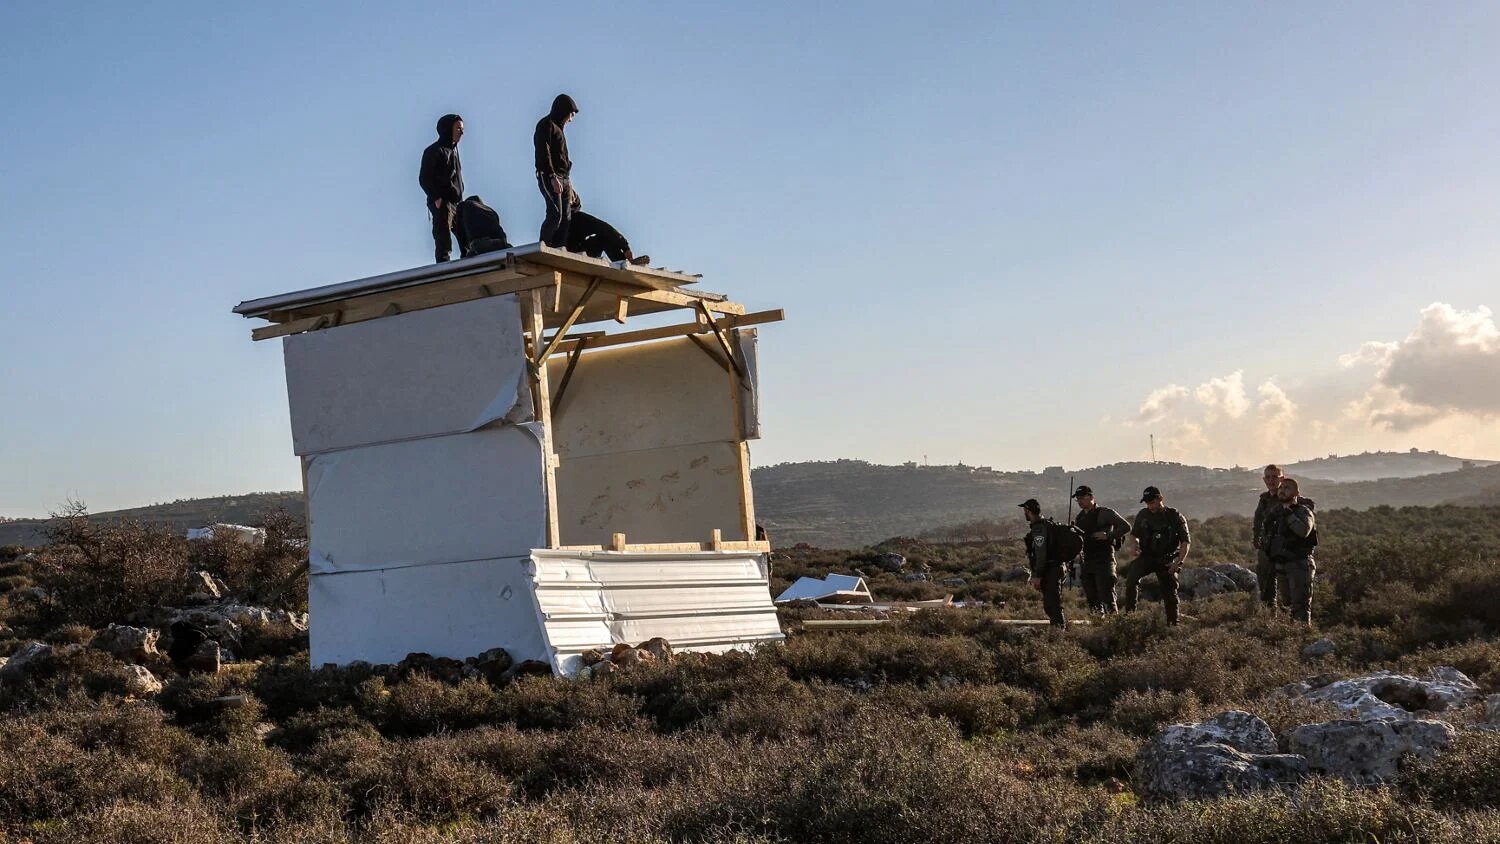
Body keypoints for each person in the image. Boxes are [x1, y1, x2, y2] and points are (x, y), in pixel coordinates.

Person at [1124, 486, 1191, 625]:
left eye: (1152, 502)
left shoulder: (1174, 516)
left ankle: (1173, 624)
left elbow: (1185, 542)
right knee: (1131, 579)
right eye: (1147, 503)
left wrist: (1179, 562)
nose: (1150, 506)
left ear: (1160, 498)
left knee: (1169, 590)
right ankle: (1129, 619)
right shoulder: (1143, 515)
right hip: (1147, 556)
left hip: (1167, 557)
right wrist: (1134, 547)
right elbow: (1134, 535)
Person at [1264, 477, 1317, 626]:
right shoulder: (1276, 514)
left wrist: (1289, 515)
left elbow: (1303, 531)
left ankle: (1302, 634)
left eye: (1287, 488)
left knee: (1300, 605)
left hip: (1299, 564)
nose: (1282, 490)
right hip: (1281, 565)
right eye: (1281, 488)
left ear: (1296, 493)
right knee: (1285, 605)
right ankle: (1287, 634)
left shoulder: (1303, 512)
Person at [1072, 485, 1131, 615]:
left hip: (1104, 560)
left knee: (1107, 598)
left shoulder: (1104, 513)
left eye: (1082, 498)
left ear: (1091, 497)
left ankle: (1113, 625)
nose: (1079, 501)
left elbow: (1126, 526)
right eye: (1078, 499)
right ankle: (1098, 624)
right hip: (1086, 561)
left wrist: (1108, 535)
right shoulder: (1079, 518)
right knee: (1093, 601)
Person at [419, 114, 467, 262]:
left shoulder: (454, 152)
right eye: (458, 128)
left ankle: (468, 257)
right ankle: (443, 261)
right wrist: (436, 198)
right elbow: (424, 178)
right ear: (448, 129)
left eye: (462, 129)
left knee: (465, 231)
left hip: (456, 202)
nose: (461, 132)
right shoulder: (434, 150)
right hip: (442, 202)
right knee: (443, 233)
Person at [534, 94, 579, 248]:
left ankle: (560, 247)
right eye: (570, 115)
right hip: (550, 176)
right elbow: (543, 152)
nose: (570, 120)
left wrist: (568, 181)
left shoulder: (560, 130)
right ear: (563, 111)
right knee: (555, 214)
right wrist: (552, 176)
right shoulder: (546, 125)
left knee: (566, 218)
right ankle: (544, 245)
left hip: (564, 178)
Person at [565, 189, 650, 265]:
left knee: (605, 237)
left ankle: (623, 263)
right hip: (563, 250)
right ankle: (623, 262)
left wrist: (625, 247)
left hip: (577, 251)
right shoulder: (562, 217)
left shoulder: (577, 218)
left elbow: (604, 228)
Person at [1020, 498, 1067, 629]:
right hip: (1057, 568)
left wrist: (1038, 575)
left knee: (1052, 605)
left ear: (1028, 511)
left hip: (1050, 570)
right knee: (1052, 604)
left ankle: (1059, 633)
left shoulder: (1039, 529)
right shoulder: (1048, 525)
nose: (1024, 513)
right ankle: (1058, 630)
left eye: (1025, 510)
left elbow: (1041, 555)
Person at [1252, 464, 1285, 610]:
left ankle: (1292, 620)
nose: (1271, 480)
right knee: (1266, 587)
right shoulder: (1264, 499)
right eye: (1268, 477)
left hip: (1284, 548)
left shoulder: (1287, 497)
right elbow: (1258, 520)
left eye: (1275, 477)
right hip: (1266, 548)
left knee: (1288, 589)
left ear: (1282, 479)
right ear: (1264, 479)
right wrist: (1256, 538)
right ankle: (1269, 617)